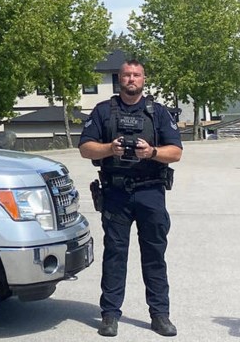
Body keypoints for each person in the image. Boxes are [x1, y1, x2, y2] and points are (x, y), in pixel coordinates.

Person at [78, 58, 183, 337]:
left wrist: (151, 153)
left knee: (154, 256)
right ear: (119, 80)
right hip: (116, 193)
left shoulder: (157, 113)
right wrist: (109, 148)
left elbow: (176, 152)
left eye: (136, 75)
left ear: (143, 79)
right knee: (114, 255)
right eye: (126, 75)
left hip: (151, 192)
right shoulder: (103, 112)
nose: (131, 79)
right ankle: (110, 315)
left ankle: (160, 315)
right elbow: (86, 148)